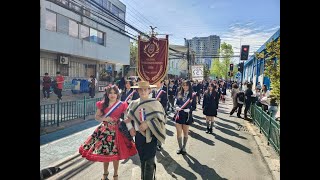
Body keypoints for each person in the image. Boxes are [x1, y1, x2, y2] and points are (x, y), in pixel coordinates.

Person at [79, 85, 137, 180]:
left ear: (117, 94)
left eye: (114, 93)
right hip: (105, 131)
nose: (112, 95)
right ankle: (105, 174)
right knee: (105, 153)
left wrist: (130, 127)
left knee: (116, 155)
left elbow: (127, 118)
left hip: (118, 131)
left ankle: (115, 175)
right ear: (107, 94)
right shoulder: (102, 104)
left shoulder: (122, 104)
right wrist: (104, 118)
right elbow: (97, 117)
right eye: (110, 93)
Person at [124, 81, 166, 180]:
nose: (143, 91)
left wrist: (148, 124)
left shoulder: (155, 103)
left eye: (145, 89)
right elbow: (126, 117)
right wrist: (130, 129)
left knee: (150, 162)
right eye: (141, 89)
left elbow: (162, 119)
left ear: (149, 90)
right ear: (138, 90)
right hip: (139, 136)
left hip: (152, 135)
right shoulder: (134, 103)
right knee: (143, 160)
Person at [173, 80, 196, 155]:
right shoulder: (179, 93)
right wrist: (176, 107)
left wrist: (190, 109)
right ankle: (180, 147)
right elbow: (176, 103)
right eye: (184, 85)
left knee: (185, 133)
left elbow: (194, 106)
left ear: (189, 86)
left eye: (186, 85)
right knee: (179, 132)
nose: (185, 87)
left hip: (187, 116)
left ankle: (184, 147)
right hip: (179, 115)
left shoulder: (192, 95)